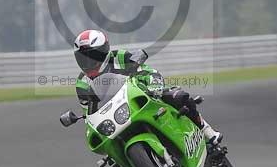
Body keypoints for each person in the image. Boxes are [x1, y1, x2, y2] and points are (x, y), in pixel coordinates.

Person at [73, 29, 223, 145]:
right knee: (111, 155)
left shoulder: (120, 57)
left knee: (179, 96)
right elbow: (89, 114)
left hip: (143, 95)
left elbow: (148, 72)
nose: (89, 62)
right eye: (83, 58)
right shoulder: (82, 83)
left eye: (93, 56)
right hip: (116, 115)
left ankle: (208, 132)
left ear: (104, 51)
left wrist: (154, 86)